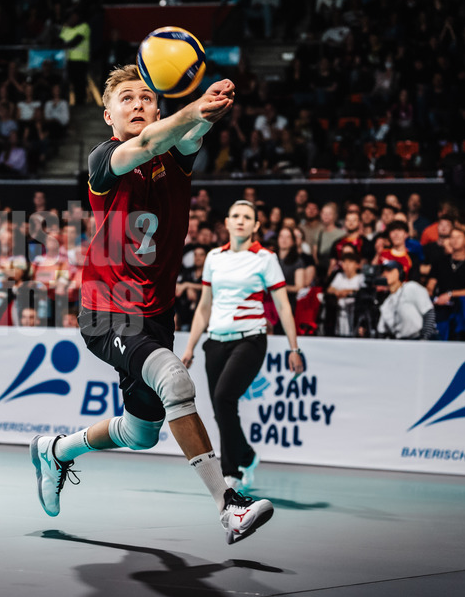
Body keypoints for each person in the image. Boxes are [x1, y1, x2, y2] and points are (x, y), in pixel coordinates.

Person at [29, 66, 273, 545]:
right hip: (107, 309)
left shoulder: (177, 155)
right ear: (108, 115)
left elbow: (191, 132)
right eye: (127, 99)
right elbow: (145, 145)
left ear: (158, 109)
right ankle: (230, 506)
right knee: (175, 380)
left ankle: (55, 451)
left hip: (156, 314)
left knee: (142, 432)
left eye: (146, 97)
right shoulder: (105, 159)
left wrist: (208, 110)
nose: (138, 104)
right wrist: (192, 111)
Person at [181, 201, 304, 491]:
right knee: (221, 409)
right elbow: (204, 306)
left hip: (250, 338)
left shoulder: (265, 258)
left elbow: (283, 306)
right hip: (215, 342)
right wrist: (190, 347)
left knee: (224, 398)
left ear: (256, 226)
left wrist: (294, 348)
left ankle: (232, 470)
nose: (240, 221)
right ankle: (247, 455)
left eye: (247, 217)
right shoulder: (214, 257)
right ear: (227, 221)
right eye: (235, 215)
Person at [376, 261, 436, 340]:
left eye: (389, 270)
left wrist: (424, 339)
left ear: (399, 273)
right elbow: (382, 331)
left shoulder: (411, 287)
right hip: (401, 343)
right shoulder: (386, 304)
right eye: (383, 271)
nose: (385, 274)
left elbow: (429, 313)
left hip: (419, 338)